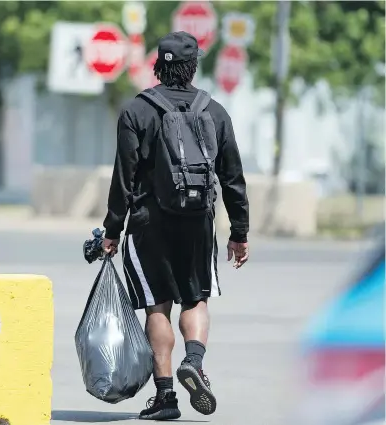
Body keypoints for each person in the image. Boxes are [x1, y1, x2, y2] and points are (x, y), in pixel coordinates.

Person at [102, 31, 249, 421]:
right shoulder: (214, 111)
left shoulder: (137, 110)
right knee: (195, 299)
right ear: (193, 66)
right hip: (198, 223)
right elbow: (232, 178)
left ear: (157, 65)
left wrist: (112, 230)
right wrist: (239, 232)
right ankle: (194, 362)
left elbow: (124, 178)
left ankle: (165, 397)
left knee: (156, 307)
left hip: (149, 225)